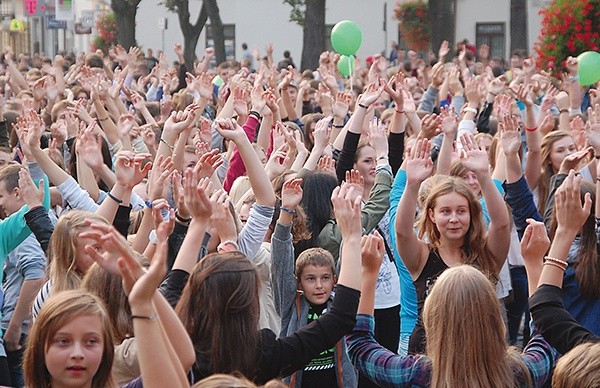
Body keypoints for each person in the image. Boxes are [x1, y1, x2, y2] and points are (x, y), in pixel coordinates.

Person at [170, 171, 364, 384]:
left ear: (193, 292)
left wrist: (197, 224)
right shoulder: (260, 353)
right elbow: (340, 318)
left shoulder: (174, 341)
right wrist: (352, 236)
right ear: (249, 302)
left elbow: (175, 283)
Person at [347, 263, 557, 387]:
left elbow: (360, 347)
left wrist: (369, 274)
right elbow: (548, 334)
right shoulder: (520, 372)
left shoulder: (417, 373)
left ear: (433, 318)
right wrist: (534, 263)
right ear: (495, 318)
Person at [395, 136, 510, 354]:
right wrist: (412, 185)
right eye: (445, 212)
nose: (454, 219)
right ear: (431, 214)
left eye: (461, 211)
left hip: (478, 353)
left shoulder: (485, 255)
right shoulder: (422, 256)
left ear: (472, 214)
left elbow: (502, 225)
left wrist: (484, 176)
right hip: (428, 357)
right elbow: (402, 232)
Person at [271, 177, 357, 387]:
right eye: (310, 279)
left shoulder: (340, 306)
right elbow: (281, 263)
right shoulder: (292, 306)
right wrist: (286, 212)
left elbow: (350, 254)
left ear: (335, 280)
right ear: (298, 284)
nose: (319, 285)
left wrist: (352, 216)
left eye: (325, 278)